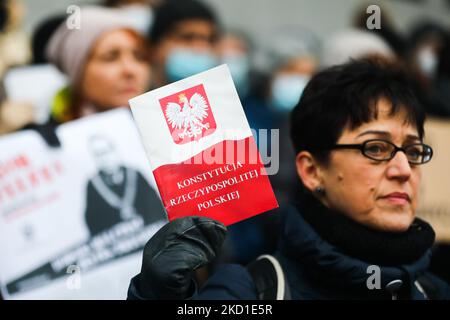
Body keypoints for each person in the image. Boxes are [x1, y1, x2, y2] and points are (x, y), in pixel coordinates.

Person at [127, 58, 450, 300]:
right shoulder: (250, 293)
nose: (403, 169)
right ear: (311, 171)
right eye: (375, 147)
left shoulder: (434, 291)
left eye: (412, 150)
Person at [45, 6, 151, 123]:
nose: (130, 70)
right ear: (77, 69)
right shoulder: (41, 140)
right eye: (110, 58)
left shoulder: (165, 134)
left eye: (140, 57)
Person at [85, 135, 166, 236]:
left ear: (114, 151)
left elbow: (155, 207)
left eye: (105, 152)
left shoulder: (135, 174)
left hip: (148, 234)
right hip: (120, 241)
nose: (104, 158)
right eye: (98, 155)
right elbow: (93, 223)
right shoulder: (93, 186)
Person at [148, 0, 220, 88]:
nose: (200, 48)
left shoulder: (223, 99)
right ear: (157, 45)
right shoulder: (131, 97)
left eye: (210, 39)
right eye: (188, 37)